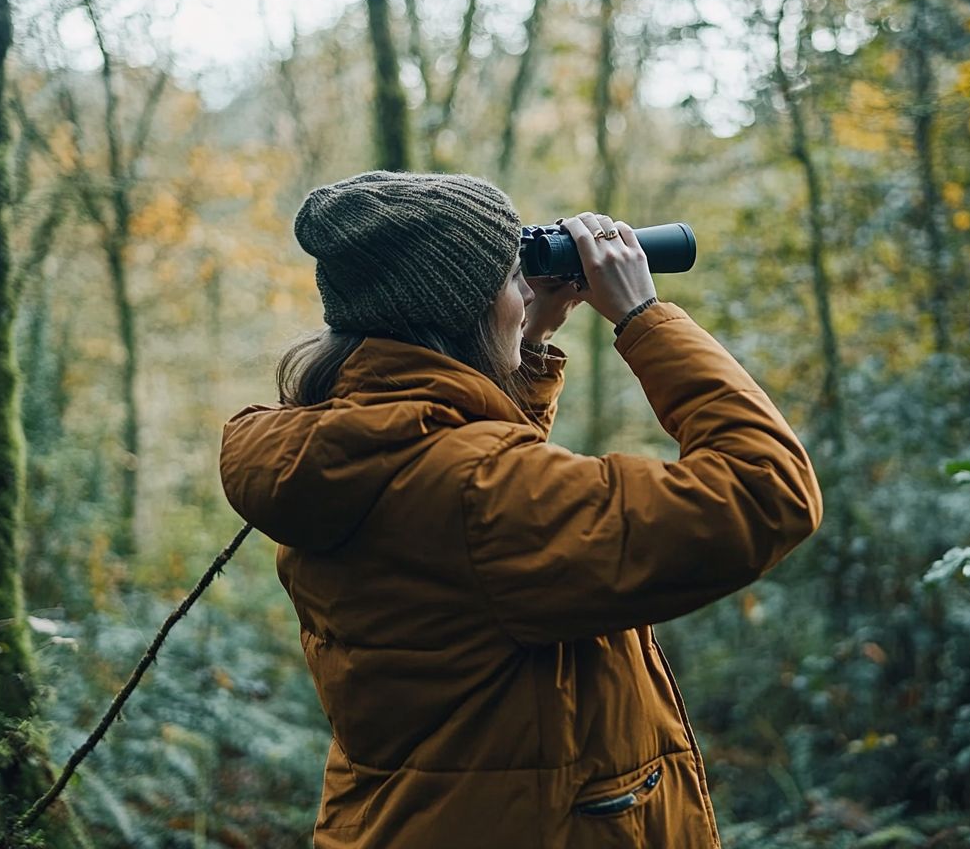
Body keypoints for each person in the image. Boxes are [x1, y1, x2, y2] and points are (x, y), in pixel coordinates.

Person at [219, 171, 822, 849]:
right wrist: (644, 319)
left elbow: (478, 499)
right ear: (468, 312)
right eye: (513, 281)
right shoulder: (475, 492)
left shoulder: (345, 452)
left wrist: (522, 347)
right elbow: (766, 489)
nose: (527, 293)